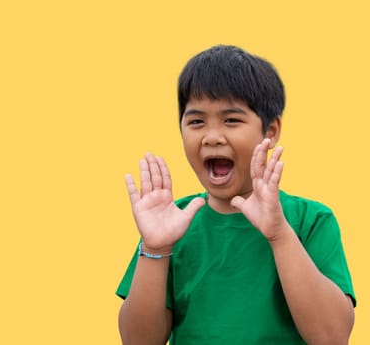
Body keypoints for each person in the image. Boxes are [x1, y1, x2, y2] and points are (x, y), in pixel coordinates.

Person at [116, 45, 356, 344]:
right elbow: (138, 341)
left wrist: (280, 235)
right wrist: (154, 247)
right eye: (196, 121)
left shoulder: (311, 220)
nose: (212, 136)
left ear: (270, 130)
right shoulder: (170, 225)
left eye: (231, 120)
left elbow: (332, 337)